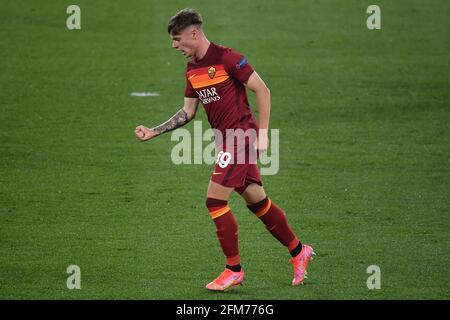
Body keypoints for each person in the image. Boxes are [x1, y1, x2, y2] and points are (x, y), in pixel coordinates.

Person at [135, 8, 315, 291]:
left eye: (177, 39)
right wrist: (154, 131)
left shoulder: (228, 58)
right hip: (224, 141)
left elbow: (262, 90)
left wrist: (264, 134)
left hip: (242, 138)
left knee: (215, 201)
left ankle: (233, 269)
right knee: (257, 202)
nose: (174, 46)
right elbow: (187, 112)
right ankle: (298, 250)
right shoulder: (192, 68)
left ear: (194, 33)